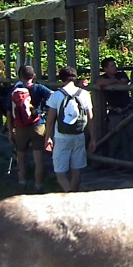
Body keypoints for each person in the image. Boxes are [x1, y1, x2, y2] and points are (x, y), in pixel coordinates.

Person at [45, 65, 95, 193]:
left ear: (61, 78)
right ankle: (74, 194)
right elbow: (90, 118)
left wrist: (47, 138)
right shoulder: (84, 94)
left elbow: (50, 120)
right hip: (79, 136)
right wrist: (92, 139)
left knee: (60, 172)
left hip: (61, 137)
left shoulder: (56, 95)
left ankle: (69, 195)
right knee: (76, 170)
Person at [9, 65, 52, 192]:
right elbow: (53, 95)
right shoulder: (38, 88)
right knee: (38, 159)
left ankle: (22, 183)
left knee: (20, 157)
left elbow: (8, 112)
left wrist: (11, 130)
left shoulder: (15, 90)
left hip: (20, 127)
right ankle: (38, 186)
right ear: (33, 76)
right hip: (37, 125)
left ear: (19, 77)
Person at [95, 57, 132, 157]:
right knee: (115, 139)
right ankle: (116, 164)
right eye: (112, 66)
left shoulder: (121, 74)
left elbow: (124, 81)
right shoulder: (104, 77)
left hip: (127, 110)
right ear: (105, 69)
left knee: (131, 137)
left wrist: (112, 82)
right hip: (114, 113)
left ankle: (132, 163)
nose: (115, 67)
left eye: (114, 65)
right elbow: (100, 82)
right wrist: (115, 81)